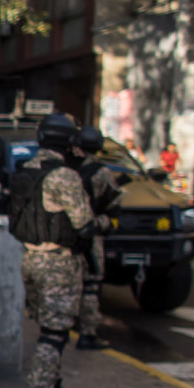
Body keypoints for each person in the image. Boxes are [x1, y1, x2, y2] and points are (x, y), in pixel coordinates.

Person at [7, 113, 104, 388]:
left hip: (31, 259)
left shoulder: (27, 169)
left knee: (51, 329)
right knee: (55, 333)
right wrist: (107, 222)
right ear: (70, 141)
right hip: (58, 262)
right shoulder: (64, 176)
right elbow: (84, 224)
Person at [73, 127, 122, 351]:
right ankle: (87, 333)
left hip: (65, 237)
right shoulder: (101, 172)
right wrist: (105, 221)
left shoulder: (68, 168)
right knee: (90, 285)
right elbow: (114, 204)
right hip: (90, 236)